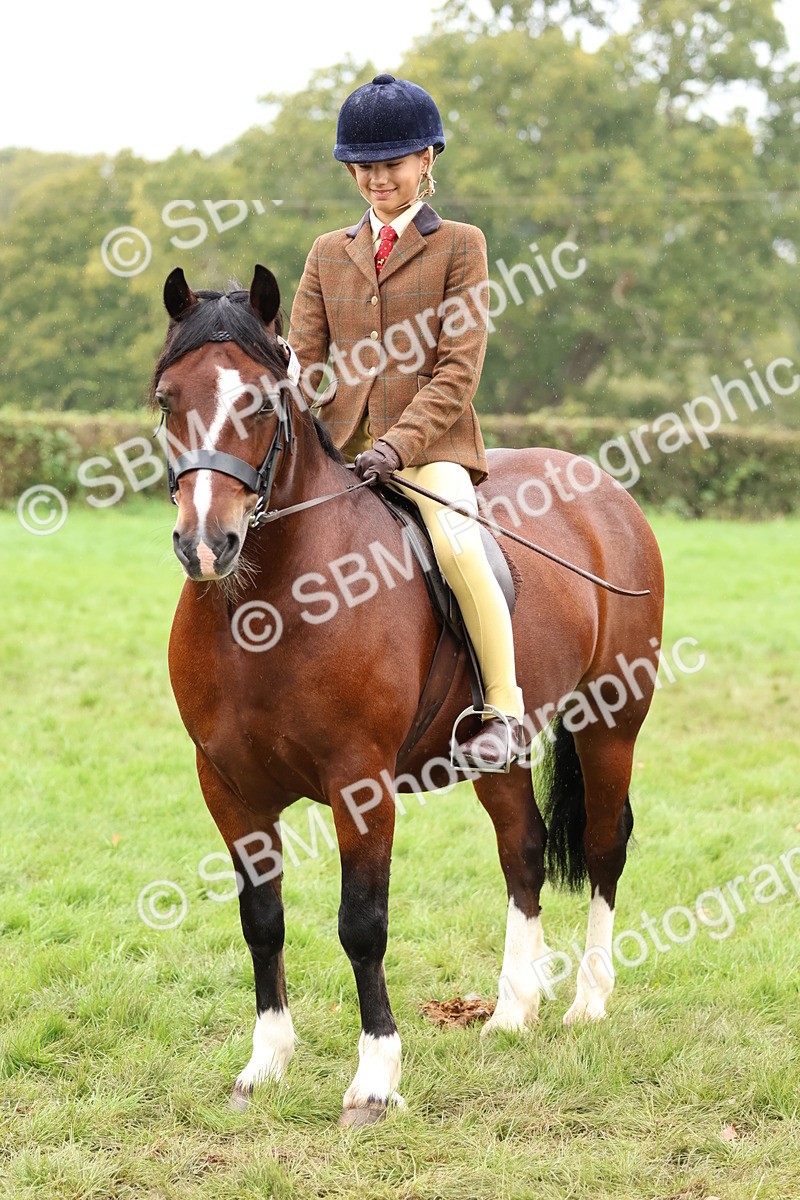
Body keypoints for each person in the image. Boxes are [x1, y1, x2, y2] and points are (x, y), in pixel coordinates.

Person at [288, 73, 526, 771]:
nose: (376, 179)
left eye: (391, 164)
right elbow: (304, 358)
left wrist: (396, 447)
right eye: (362, 167)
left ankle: (503, 709)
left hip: (429, 450)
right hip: (340, 450)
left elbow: (458, 369)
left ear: (426, 159)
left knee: (457, 546)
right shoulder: (327, 251)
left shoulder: (460, 244)